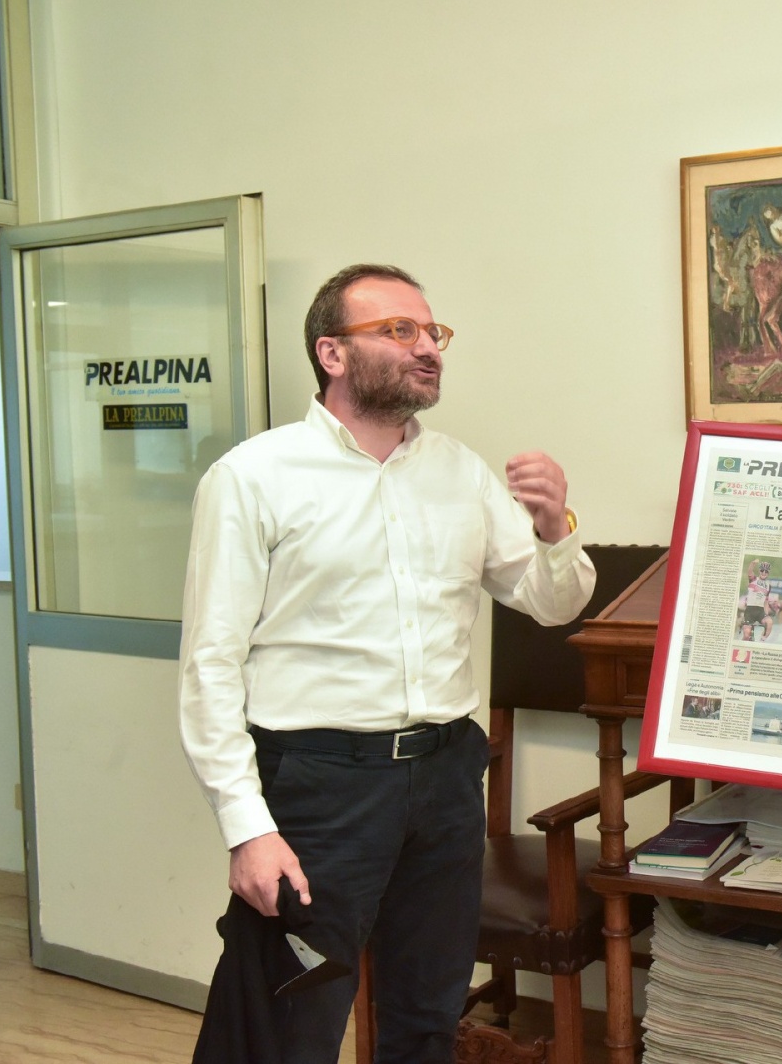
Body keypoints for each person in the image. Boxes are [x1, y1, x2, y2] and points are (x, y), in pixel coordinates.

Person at [179, 263, 595, 1063]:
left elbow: (552, 602)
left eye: (433, 331)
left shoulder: (460, 472)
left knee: (427, 1014)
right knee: (280, 1024)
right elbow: (210, 665)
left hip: (444, 780)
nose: (427, 347)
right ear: (331, 353)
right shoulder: (252, 477)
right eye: (398, 330)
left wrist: (553, 529)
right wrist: (246, 826)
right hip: (318, 786)